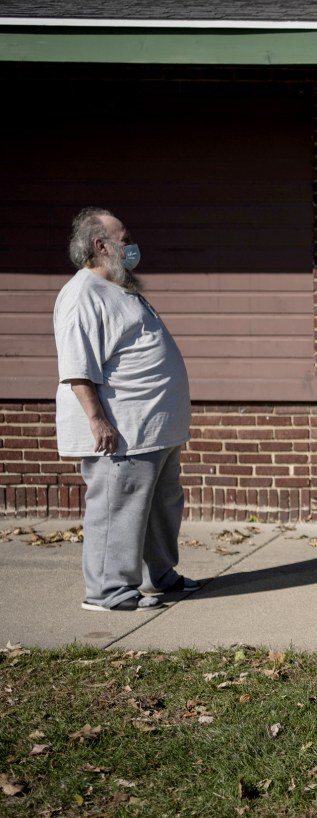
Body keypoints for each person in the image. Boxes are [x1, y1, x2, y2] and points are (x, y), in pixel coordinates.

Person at [54, 208, 198, 612]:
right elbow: (77, 366)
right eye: (125, 238)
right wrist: (97, 420)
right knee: (118, 510)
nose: (133, 246)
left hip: (155, 429)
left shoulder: (120, 288)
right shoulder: (82, 293)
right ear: (101, 245)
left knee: (160, 509)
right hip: (122, 431)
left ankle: (160, 577)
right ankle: (108, 591)